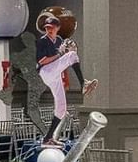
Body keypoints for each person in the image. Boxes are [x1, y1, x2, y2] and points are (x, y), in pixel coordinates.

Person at [35, 13, 96, 143]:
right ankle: (83, 84)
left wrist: (70, 50)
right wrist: (62, 54)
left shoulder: (59, 41)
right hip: (46, 71)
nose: (49, 29)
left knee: (61, 108)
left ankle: (48, 138)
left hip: (55, 74)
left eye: (51, 27)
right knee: (71, 55)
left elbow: (67, 57)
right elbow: (42, 61)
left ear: (57, 27)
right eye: (47, 27)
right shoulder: (42, 41)